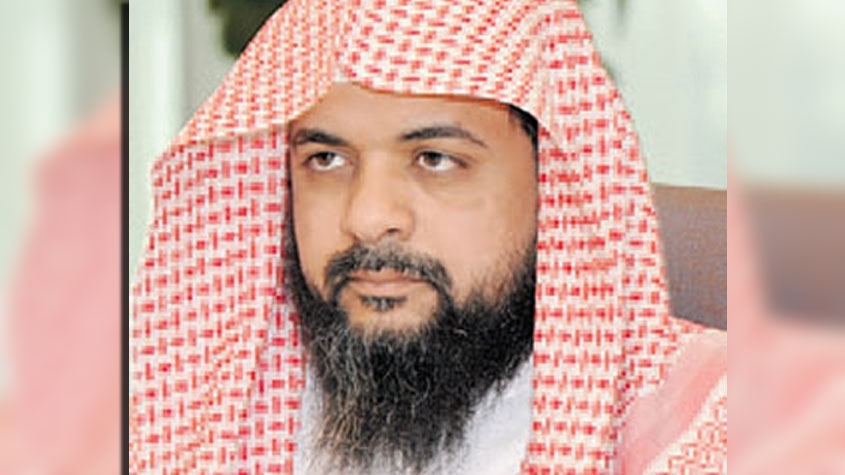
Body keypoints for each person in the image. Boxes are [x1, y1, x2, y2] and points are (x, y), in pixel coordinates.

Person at [129, 0, 727, 473]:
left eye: (435, 159)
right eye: (326, 160)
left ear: (554, 183)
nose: (368, 218)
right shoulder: (206, 414)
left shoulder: (718, 422)